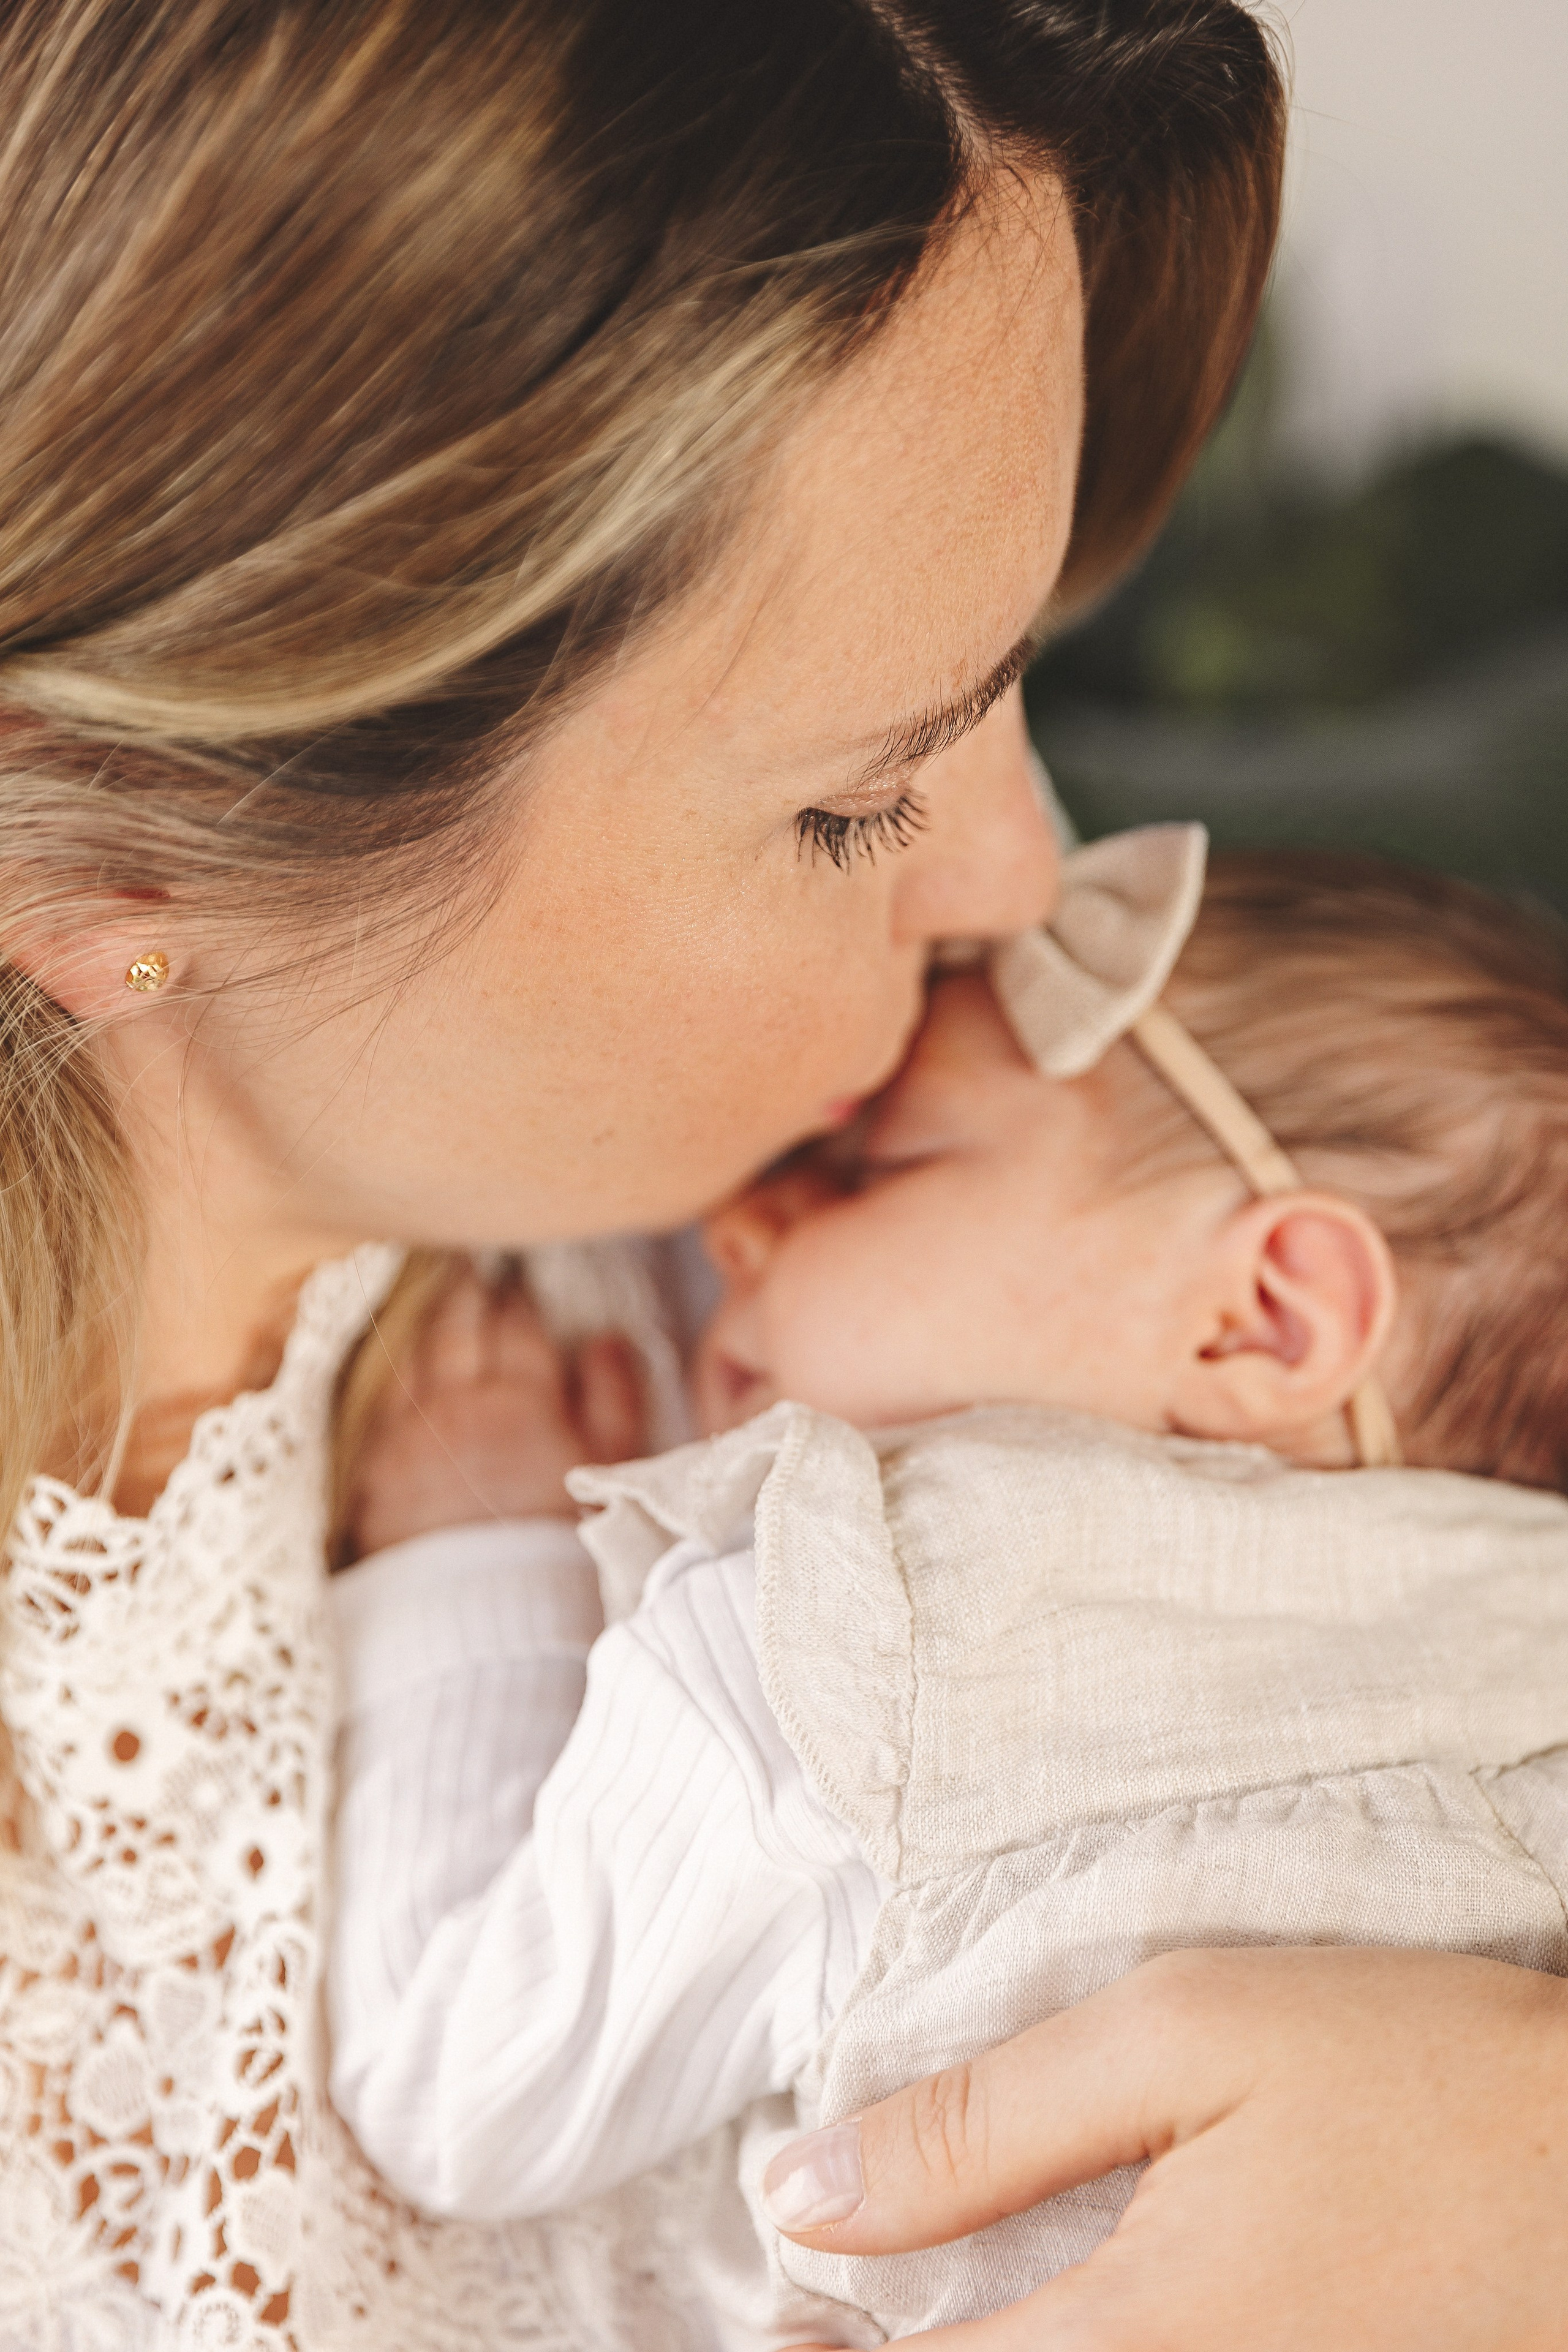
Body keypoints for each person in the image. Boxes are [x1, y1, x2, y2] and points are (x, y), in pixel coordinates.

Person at [0, 6, 1555, 2351]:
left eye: (1024, 668)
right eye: (862, 797)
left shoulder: (797, 1283)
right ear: (116, 849)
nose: (1024, 880)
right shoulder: (813, 1404)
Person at [325, 837, 1568, 2345]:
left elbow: (454, 2086)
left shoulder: (873, 1639)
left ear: (1259, 1318)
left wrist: (476, 1542)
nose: (739, 1228)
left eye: (871, 1168)